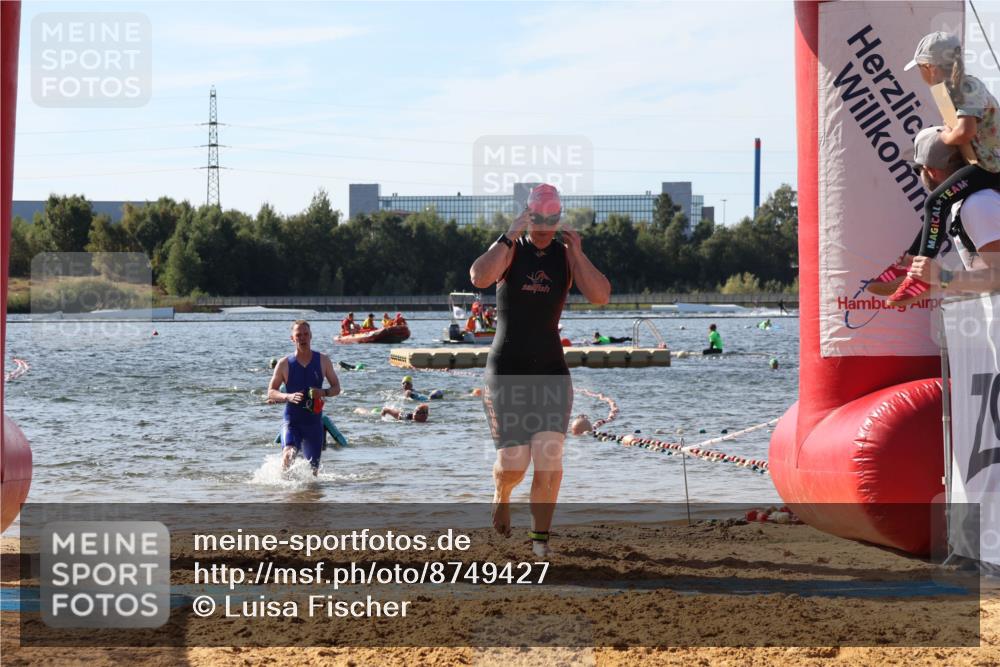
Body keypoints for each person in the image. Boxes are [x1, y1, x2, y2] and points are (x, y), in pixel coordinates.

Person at [470, 183, 611, 557]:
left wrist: (578, 253)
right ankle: (501, 494)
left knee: (550, 459)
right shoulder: (511, 250)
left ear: (559, 217)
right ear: (528, 215)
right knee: (515, 463)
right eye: (538, 217)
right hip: (507, 371)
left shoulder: (566, 256)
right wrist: (509, 234)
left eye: (552, 218)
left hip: (550, 370)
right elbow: (478, 277)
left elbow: (600, 295)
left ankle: (539, 545)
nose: (546, 225)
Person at [866, 32, 1000, 306]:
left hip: (992, 166)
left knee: (935, 201)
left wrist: (944, 137)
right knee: (937, 204)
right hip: (986, 163)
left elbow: (965, 131)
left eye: (921, 69)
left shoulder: (967, 86)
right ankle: (911, 264)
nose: (921, 75)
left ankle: (919, 272)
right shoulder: (954, 89)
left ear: (932, 67)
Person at [904, 126, 1000, 291]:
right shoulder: (967, 203)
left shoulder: (977, 204)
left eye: (917, 170)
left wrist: (942, 277)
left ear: (930, 170)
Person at [268, 320, 341, 475]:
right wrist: (288, 396)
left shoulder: (323, 360)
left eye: (305, 334)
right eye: (298, 335)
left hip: (314, 424)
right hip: (292, 421)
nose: (302, 337)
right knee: (289, 454)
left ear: (311, 336)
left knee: (313, 472)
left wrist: (323, 392)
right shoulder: (284, 363)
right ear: (292, 339)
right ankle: (282, 490)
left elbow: (336, 388)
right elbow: (271, 392)